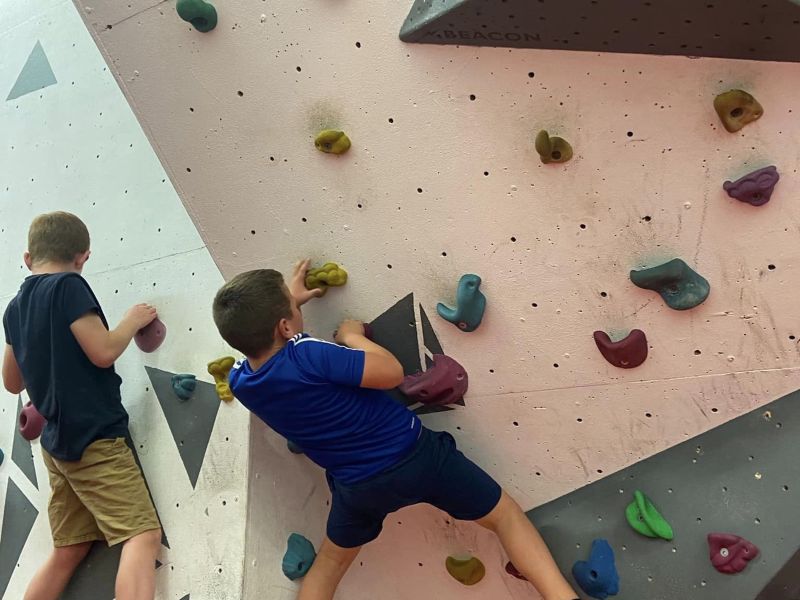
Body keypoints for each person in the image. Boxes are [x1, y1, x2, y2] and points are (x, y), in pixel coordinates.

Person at [212, 260, 579, 600]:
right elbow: (390, 374)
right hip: (416, 458)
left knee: (331, 562)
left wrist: (286, 306)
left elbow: (270, 355)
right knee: (504, 517)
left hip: (358, 490)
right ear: (285, 326)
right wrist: (353, 336)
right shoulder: (306, 353)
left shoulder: (242, 383)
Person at [2, 211, 163, 600]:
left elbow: (12, 382)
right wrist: (131, 320)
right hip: (94, 438)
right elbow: (103, 352)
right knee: (143, 535)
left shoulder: (15, 307)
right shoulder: (69, 286)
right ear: (82, 257)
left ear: (27, 258)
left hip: (56, 446)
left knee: (69, 548)